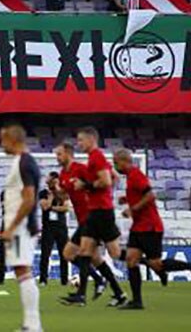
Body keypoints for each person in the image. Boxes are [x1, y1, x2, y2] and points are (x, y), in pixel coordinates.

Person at [114, 149, 191, 311]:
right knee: (131, 260)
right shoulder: (131, 177)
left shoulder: (136, 175)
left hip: (150, 227)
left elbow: (150, 196)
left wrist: (133, 209)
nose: (115, 166)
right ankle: (137, 301)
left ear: (124, 161)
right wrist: (127, 199)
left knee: (156, 264)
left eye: (116, 162)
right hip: (138, 226)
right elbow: (141, 195)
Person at [60, 127, 128, 307]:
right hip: (92, 214)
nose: (79, 143)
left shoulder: (88, 162)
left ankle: (148, 261)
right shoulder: (66, 173)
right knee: (88, 255)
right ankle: (109, 290)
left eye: (81, 140)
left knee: (102, 254)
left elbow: (107, 180)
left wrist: (89, 187)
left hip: (97, 214)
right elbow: (110, 179)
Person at [54, 142, 112, 300]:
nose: (57, 157)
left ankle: (85, 292)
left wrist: (86, 187)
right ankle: (109, 286)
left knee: (70, 253)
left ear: (68, 153)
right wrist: (56, 190)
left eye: (59, 154)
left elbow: (96, 184)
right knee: (93, 257)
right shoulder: (62, 173)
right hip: (82, 219)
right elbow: (64, 197)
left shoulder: (80, 169)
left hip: (91, 217)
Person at [0, 125, 41, 332]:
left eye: (3, 140)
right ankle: (31, 324)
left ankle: (33, 325)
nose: (1, 144)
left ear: (12, 139)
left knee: (23, 269)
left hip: (21, 227)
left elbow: (29, 198)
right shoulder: (21, 162)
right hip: (20, 226)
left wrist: (12, 226)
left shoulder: (25, 162)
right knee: (21, 270)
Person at [38, 172, 69, 286]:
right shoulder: (43, 193)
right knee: (45, 254)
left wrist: (52, 207)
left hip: (61, 227)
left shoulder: (62, 193)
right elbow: (44, 206)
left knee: (64, 254)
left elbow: (66, 208)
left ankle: (64, 280)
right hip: (48, 227)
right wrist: (50, 198)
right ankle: (43, 279)